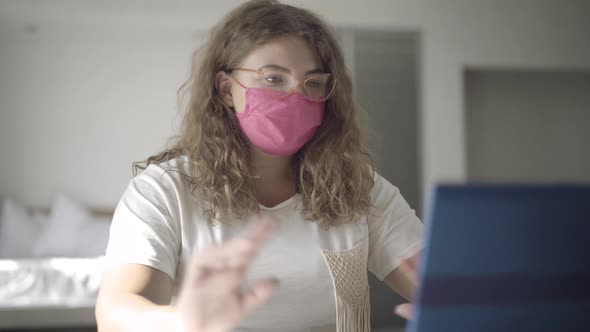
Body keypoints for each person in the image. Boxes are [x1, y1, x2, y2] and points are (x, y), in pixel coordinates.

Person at [95, 1, 423, 331]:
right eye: (273, 78)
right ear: (226, 89)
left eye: (312, 82)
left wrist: (454, 311)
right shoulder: (164, 191)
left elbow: (440, 287)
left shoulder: (358, 186)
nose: (296, 97)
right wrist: (182, 321)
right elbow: (115, 312)